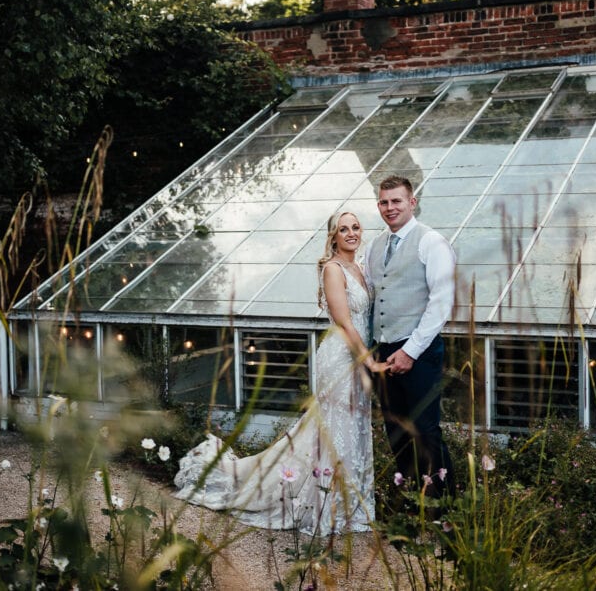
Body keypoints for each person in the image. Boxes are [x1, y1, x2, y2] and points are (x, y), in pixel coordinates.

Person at [172, 211, 383, 535]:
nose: (352, 233)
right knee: (335, 431)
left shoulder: (360, 268)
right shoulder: (332, 269)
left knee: (354, 429)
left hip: (358, 359)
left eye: (355, 227)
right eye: (344, 229)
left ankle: (353, 506)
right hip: (341, 359)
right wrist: (368, 361)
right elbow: (343, 322)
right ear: (333, 237)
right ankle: (329, 508)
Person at [365, 175, 456, 499]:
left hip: (419, 351)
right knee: (396, 432)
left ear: (412, 202)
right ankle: (410, 503)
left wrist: (410, 351)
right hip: (382, 352)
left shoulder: (431, 241)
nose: (390, 208)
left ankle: (443, 509)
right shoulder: (374, 246)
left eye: (396, 201)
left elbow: (441, 302)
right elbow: (372, 299)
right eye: (384, 202)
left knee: (426, 431)